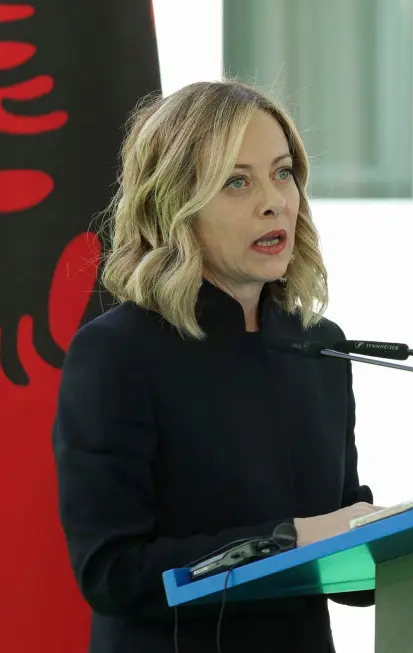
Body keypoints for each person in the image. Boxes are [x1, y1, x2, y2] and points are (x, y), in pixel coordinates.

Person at [52, 81, 381, 652]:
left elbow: (345, 569)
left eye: (283, 173)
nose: (274, 200)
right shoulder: (117, 354)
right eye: (236, 182)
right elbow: (112, 573)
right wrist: (294, 541)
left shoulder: (320, 347)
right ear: (175, 205)